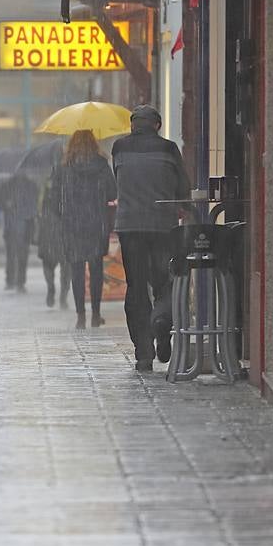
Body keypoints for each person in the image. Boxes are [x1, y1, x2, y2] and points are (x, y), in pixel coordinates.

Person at [111, 105, 188, 371]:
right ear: (157, 125)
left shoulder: (119, 148)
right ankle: (162, 322)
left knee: (135, 287)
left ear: (133, 125)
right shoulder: (168, 149)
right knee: (163, 282)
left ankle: (143, 352)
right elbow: (183, 188)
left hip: (130, 227)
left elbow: (118, 180)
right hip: (162, 226)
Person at [51, 129, 117, 330]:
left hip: (72, 226)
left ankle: (81, 315)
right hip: (97, 224)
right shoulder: (101, 165)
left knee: (77, 270)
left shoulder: (63, 168)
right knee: (96, 270)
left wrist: (65, 215)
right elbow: (113, 192)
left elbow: (54, 201)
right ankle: (96, 314)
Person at [0, 171, 37, 293]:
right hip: (15, 226)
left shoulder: (12, 185)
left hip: (18, 226)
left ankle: (14, 281)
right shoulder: (28, 185)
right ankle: (16, 282)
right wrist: (6, 204)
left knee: (15, 255)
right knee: (17, 255)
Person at [35, 165, 70, 310]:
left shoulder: (46, 188)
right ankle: (63, 296)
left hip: (48, 230)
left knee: (48, 263)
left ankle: (51, 287)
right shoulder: (69, 186)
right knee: (66, 266)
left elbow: (39, 209)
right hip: (65, 231)